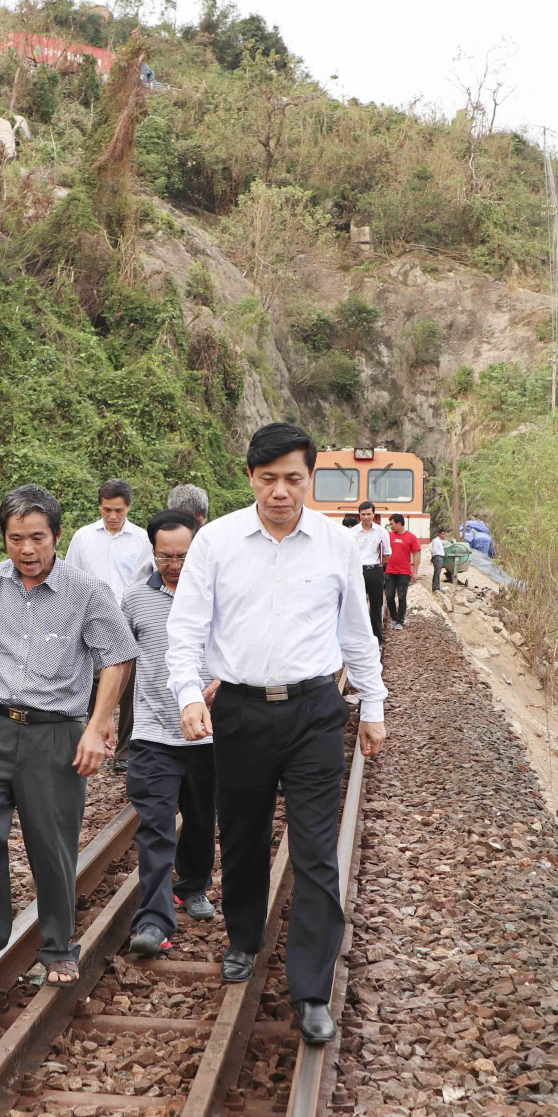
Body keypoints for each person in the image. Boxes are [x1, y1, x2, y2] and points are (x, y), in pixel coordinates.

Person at [165, 422, 387, 1046]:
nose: (282, 492)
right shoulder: (215, 542)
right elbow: (185, 630)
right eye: (269, 480)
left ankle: (311, 989)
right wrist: (188, 696)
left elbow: (356, 632)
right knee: (240, 833)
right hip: (238, 708)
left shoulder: (337, 545)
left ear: (310, 477)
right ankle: (243, 938)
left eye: (294, 479)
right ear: (250, 479)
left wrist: (372, 703)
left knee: (317, 851)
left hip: (315, 708)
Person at [0, 485, 140, 988]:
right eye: (15, 539)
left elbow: (118, 657)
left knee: (51, 845)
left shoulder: (86, 591)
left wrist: (96, 727)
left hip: (56, 732)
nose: (27, 550)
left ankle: (56, 945)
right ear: (3, 539)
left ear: (56, 535)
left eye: (37, 538)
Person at [116, 510, 218, 957]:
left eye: (182, 555)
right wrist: (104, 721)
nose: (174, 564)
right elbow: (120, 661)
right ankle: (154, 922)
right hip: (153, 732)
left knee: (200, 818)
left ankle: (194, 884)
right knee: (155, 827)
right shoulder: (136, 599)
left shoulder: (221, 595)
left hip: (209, 733)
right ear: (153, 553)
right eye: (165, 556)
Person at [66, 479, 150, 769]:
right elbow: (71, 576)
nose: (112, 516)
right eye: (106, 510)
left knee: (129, 687)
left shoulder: (142, 539)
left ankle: (125, 752)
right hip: (91, 617)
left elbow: (147, 580)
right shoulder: (84, 537)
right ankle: (87, 741)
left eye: (118, 510)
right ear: (99, 506)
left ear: (128, 507)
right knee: (87, 682)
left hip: (129, 619)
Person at [351, 501, 389, 643]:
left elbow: (387, 554)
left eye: (368, 514)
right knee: (357, 605)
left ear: (374, 514)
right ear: (359, 515)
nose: (366, 517)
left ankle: (377, 639)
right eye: (363, 514)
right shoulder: (352, 532)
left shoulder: (381, 532)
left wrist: (378, 568)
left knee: (376, 606)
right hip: (358, 571)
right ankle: (359, 638)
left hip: (375, 570)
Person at [384, 513, 420, 628]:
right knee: (389, 597)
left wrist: (415, 571)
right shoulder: (389, 536)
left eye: (392, 524)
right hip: (390, 571)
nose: (391, 527)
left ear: (399, 523)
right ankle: (394, 618)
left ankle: (400, 621)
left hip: (404, 572)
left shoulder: (411, 537)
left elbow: (415, 555)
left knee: (402, 597)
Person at [428, 525, 456, 593]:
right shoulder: (436, 541)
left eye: (444, 534)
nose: (443, 536)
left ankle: (436, 587)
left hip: (439, 557)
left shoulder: (440, 541)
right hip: (437, 557)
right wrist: (434, 557)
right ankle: (436, 588)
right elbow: (433, 550)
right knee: (437, 573)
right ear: (439, 534)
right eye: (442, 534)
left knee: (437, 573)